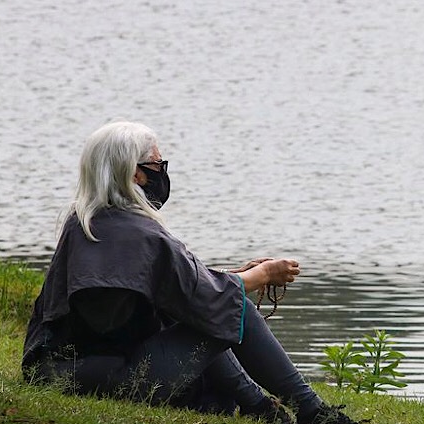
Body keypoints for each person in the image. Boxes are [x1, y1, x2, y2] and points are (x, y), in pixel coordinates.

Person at [22, 121, 361, 424]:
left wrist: (226, 277)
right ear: (136, 174)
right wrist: (264, 275)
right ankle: (311, 412)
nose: (162, 171)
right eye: (158, 164)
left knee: (214, 305)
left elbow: (169, 288)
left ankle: (261, 408)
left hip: (56, 372)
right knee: (232, 307)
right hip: (109, 379)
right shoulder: (140, 233)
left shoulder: (85, 223)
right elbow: (205, 296)